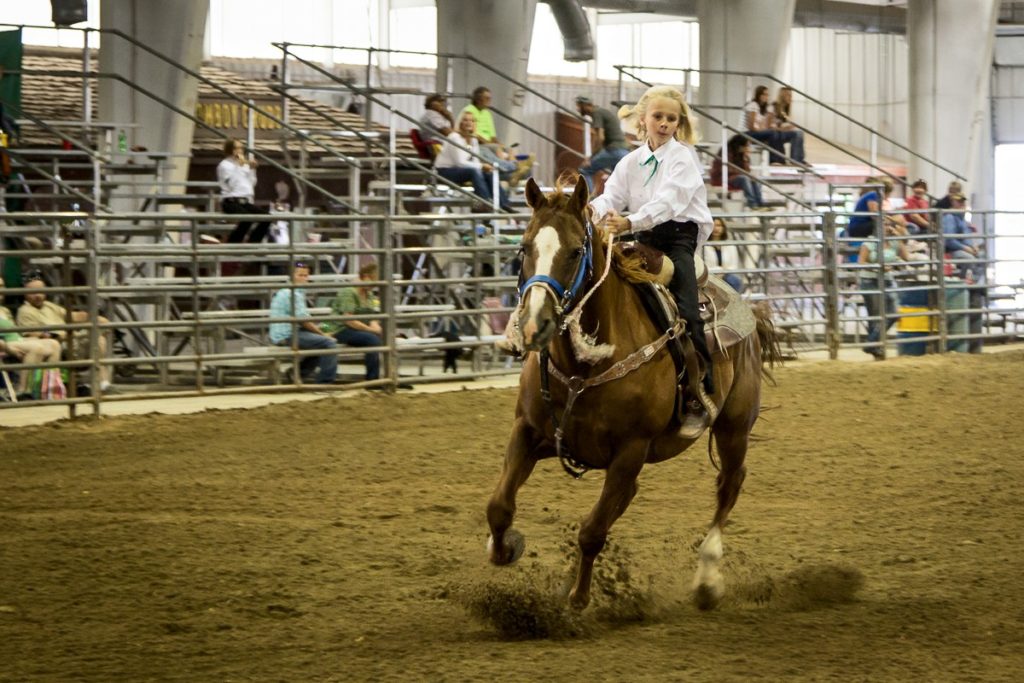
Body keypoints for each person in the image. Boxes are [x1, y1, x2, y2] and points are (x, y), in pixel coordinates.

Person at [589, 84, 716, 439]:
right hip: (643, 235)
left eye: (671, 118)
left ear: (678, 124)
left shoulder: (683, 158)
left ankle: (699, 393)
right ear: (643, 119)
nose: (664, 123)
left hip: (677, 238)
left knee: (688, 311)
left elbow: (669, 202)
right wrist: (589, 211)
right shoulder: (629, 162)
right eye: (658, 116)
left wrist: (629, 222)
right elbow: (610, 196)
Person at [15, 276, 114, 392]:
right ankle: (90, 384)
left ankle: (103, 384)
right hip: (58, 345)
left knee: (99, 337)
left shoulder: (49, 306)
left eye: (41, 291)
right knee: (94, 337)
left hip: (71, 340)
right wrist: (61, 335)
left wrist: (96, 318)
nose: (38, 295)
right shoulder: (25, 311)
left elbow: (73, 316)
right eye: (33, 292)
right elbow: (34, 335)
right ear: (25, 294)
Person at [268, 263, 338, 384]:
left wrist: (324, 328)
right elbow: (304, 321)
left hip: (291, 331)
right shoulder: (291, 293)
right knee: (329, 343)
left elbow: (306, 319)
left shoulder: (294, 292)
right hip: (287, 334)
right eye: (300, 275)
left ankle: (297, 372)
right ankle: (325, 383)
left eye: (306, 275)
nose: (304, 278)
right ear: (292, 276)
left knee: (322, 340)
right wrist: (323, 333)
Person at [434, 111, 513, 212]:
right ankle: (484, 203)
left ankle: (504, 204)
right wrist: (481, 166)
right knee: (475, 171)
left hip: (461, 170)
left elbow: (475, 160)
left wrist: (483, 168)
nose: (469, 123)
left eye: (472, 120)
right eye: (465, 120)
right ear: (460, 123)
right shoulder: (454, 137)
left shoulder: (473, 139)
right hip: (445, 170)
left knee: (489, 173)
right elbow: (460, 162)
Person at [322, 262, 382, 382]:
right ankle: (372, 379)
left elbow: (371, 317)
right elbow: (348, 320)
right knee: (372, 340)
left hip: (356, 328)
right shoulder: (348, 291)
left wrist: (377, 329)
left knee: (381, 338)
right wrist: (372, 330)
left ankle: (384, 376)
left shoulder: (369, 294)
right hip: (338, 328)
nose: (374, 286)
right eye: (373, 281)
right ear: (365, 276)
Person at [1, 281, 62, 399]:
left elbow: (14, 331)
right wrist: (8, 348)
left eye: (2, 286)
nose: (1, 289)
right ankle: (23, 390)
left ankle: (47, 389)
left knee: (54, 344)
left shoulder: (4, 310)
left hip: (17, 340)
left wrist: (31, 338)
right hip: (5, 344)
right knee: (36, 347)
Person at [858, 224, 910, 359]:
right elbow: (861, 263)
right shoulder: (869, 242)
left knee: (894, 312)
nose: (888, 227)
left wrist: (898, 237)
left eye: (888, 225)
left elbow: (906, 257)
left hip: (887, 279)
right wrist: (878, 268)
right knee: (875, 315)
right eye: (885, 225)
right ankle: (877, 350)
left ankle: (871, 343)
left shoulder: (893, 242)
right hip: (869, 280)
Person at [217, 138, 270, 244]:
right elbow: (232, 184)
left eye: (241, 148)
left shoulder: (244, 165)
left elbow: (251, 184)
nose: (239, 151)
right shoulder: (224, 165)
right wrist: (238, 167)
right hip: (230, 200)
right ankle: (232, 245)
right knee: (247, 219)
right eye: (236, 148)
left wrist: (252, 169)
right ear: (230, 150)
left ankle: (253, 243)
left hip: (244, 200)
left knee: (267, 218)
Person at [575, 95, 630, 192]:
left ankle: (587, 201)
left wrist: (590, 157)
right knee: (616, 179)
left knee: (585, 170)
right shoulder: (602, 111)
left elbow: (600, 138)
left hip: (614, 151)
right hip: (623, 151)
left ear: (586, 105)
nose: (578, 109)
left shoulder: (596, 113)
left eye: (579, 106)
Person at [709, 133, 765, 209]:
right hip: (722, 177)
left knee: (755, 179)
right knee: (744, 178)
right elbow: (728, 169)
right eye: (747, 145)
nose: (748, 148)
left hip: (736, 176)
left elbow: (747, 170)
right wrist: (746, 174)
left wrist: (745, 159)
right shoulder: (726, 151)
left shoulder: (742, 154)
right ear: (740, 145)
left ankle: (760, 203)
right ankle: (752, 204)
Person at [941, 193, 981, 278]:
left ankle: (978, 285)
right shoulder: (949, 217)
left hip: (965, 248)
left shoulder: (962, 218)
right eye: (958, 201)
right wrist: (966, 248)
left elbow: (967, 236)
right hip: (952, 251)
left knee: (983, 256)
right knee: (969, 259)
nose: (961, 203)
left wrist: (973, 246)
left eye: (962, 201)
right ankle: (963, 282)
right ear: (952, 202)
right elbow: (949, 241)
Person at [705, 218, 745, 293]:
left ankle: (733, 303)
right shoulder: (703, 245)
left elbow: (734, 266)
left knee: (735, 281)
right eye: (713, 225)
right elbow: (703, 266)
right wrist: (719, 270)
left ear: (723, 228)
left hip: (726, 275)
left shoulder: (730, 245)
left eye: (719, 225)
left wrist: (723, 273)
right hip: (710, 276)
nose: (716, 228)